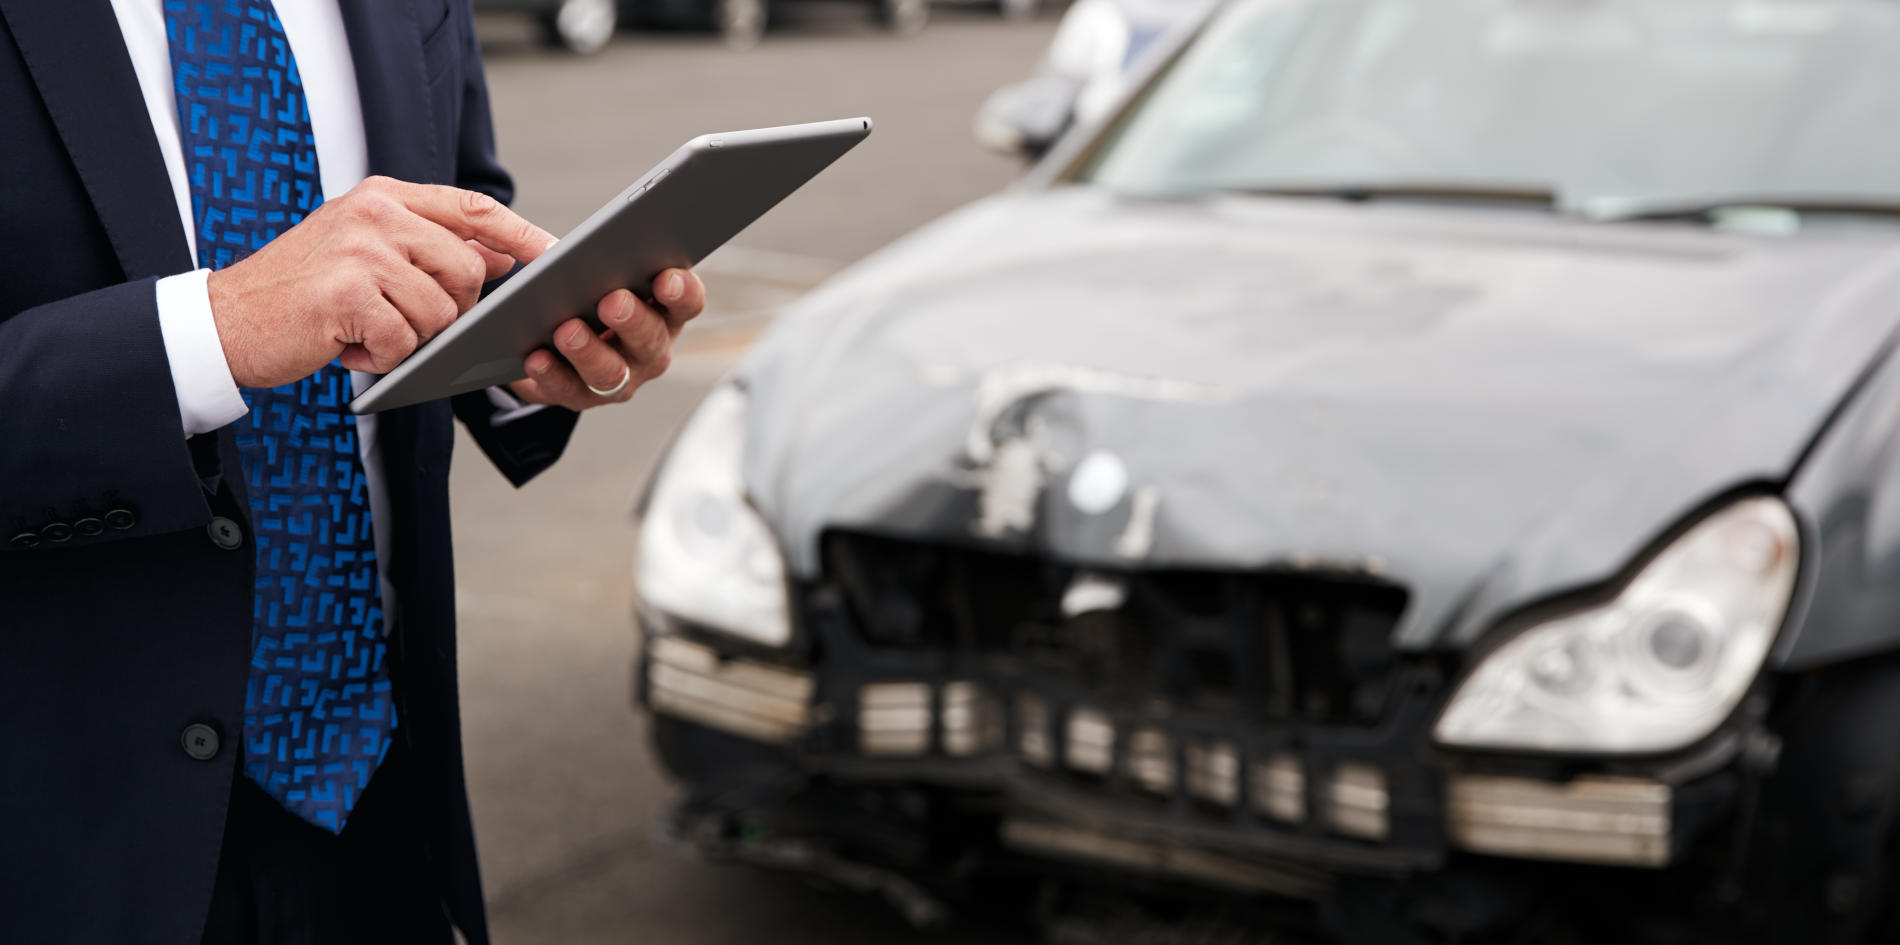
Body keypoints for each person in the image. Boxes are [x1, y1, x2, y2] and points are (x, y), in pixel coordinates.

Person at [0, 1, 707, 942]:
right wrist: (220, 326)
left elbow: (463, 229)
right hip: (62, 831)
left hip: (375, 788)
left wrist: (545, 347)